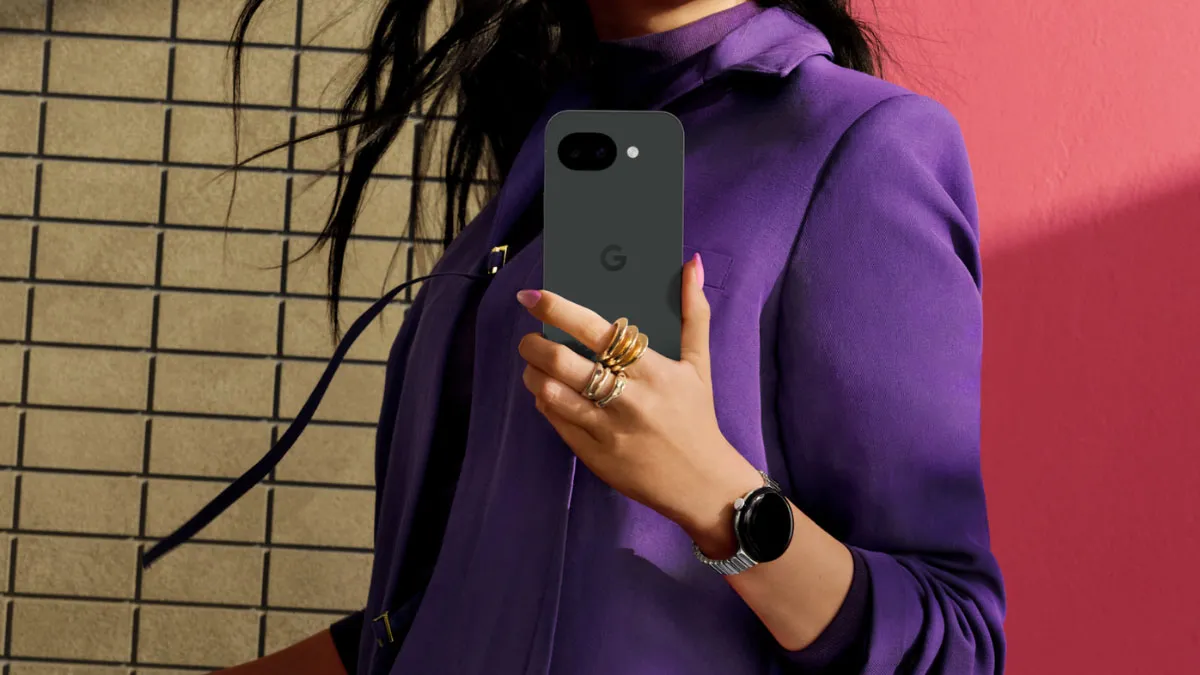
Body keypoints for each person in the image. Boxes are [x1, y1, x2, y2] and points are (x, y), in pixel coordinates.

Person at [157, 1, 1006, 673]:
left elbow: (954, 642)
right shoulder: (548, 164)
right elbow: (464, 601)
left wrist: (719, 500)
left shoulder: (860, 147)